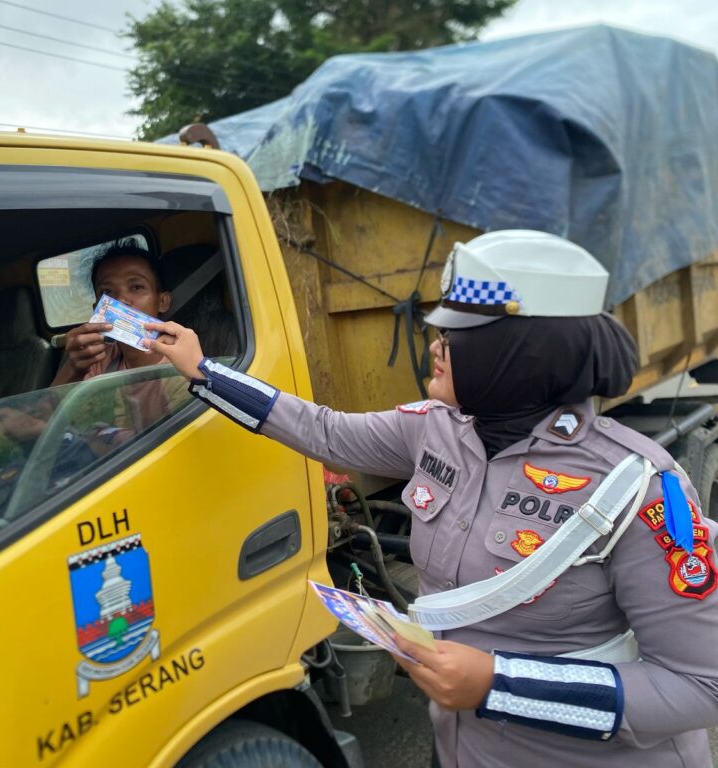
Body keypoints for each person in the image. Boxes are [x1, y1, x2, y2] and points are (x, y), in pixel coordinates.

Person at [145, 229, 718, 768]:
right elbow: (324, 431)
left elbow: (700, 686)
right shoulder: (436, 428)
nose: (437, 346)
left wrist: (501, 686)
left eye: (459, 335)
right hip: (463, 747)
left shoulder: (637, 487)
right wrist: (204, 371)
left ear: (523, 352)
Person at [51, 240, 184, 431]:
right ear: (97, 308)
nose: (121, 300)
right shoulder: (98, 358)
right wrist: (72, 368)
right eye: (107, 292)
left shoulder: (179, 367)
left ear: (162, 302)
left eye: (136, 287)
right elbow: (50, 420)